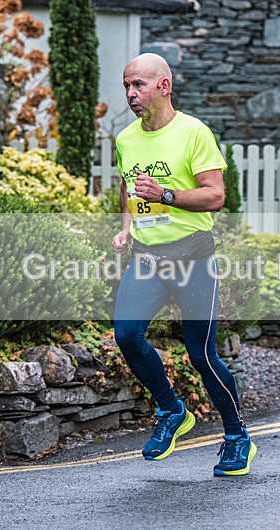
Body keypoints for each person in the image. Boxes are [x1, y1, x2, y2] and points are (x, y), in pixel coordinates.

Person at [112, 53, 256, 477]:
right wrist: (126, 228)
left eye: (138, 85)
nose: (130, 93)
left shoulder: (194, 132)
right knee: (126, 335)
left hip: (192, 257)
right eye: (126, 86)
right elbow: (129, 189)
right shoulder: (126, 139)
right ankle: (172, 411)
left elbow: (215, 196)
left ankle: (237, 437)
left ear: (164, 86)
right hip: (147, 257)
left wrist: (166, 196)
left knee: (201, 355)